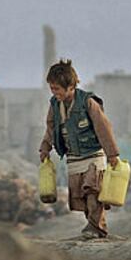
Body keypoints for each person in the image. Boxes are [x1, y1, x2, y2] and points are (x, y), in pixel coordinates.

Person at [39, 59, 119, 239]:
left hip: (93, 154)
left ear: (70, 86)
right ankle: (95, 227)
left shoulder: (88, 102)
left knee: (93, 190)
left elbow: (103, 127)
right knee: (80, 196)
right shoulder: (54, 105)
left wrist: (112, 154)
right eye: (52, 88)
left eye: (57, 89)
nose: (54, 92)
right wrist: (45, 148)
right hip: (74, 157)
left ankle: (95, 226)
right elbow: (51, 128)